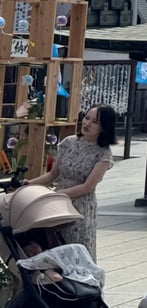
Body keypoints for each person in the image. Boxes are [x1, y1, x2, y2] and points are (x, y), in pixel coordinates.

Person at [24, 104, 116, 260]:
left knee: (76, 251)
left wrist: (57, 195)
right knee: (53, 246)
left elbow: (87, 187)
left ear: (104, 127)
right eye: (86, 118)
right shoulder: (68, 142)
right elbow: (53, 174)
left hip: (80, 207)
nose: (87, 124)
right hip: (57, 204)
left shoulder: (104, 153)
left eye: (94, 122)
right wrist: (29, 184)